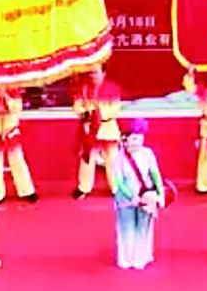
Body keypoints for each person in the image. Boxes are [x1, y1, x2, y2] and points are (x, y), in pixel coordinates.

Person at [107, 119, 165, 271]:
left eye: (140, 139)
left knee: (143, 227)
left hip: (146, 196)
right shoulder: (118, 157)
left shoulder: (148, 154)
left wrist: (161, 193)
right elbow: (119, 182)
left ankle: (141, 257)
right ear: (125, 140)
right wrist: (131, 197)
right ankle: (127, 258)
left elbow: (155, 174)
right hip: (126, 199)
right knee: (127, 227)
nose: (137, 143)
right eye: (133, 139)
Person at [71, 66, 122, 199]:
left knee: (112, 158)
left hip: (107, 126)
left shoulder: (112, 88)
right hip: (89, 127)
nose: (92, 76)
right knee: (88, 157)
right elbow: (77, 106)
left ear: (104, 73)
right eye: (91, 73)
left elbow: (115, 109)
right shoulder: (84, 89)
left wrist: (98, 114)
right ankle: (84, 188)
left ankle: (116, 188)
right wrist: (85, 113)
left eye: (95, 73)